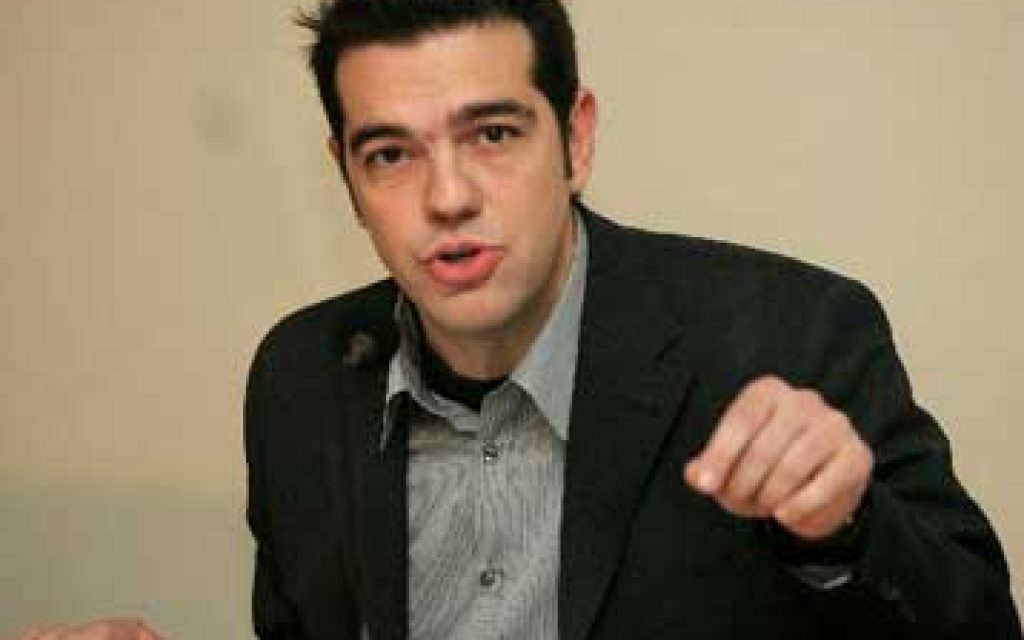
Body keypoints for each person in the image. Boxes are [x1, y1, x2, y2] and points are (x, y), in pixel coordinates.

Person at [29, 0, 1017, 638]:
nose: (447, 196)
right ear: (346, 176)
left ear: (575, 138)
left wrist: (844, 530)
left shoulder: (788, 333)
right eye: (390, 154)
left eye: (492, 134)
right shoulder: (300, 376)